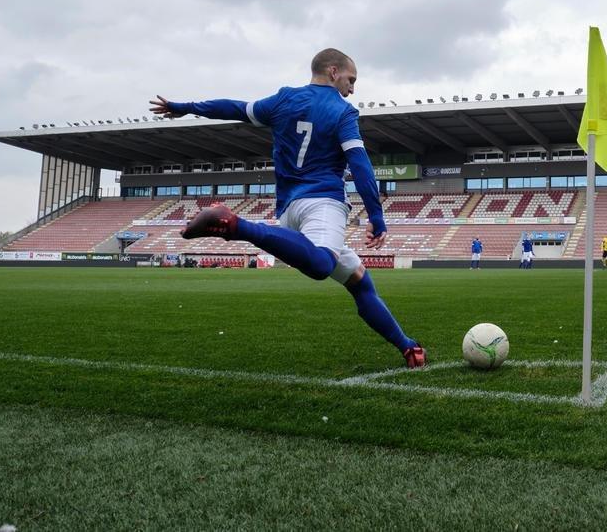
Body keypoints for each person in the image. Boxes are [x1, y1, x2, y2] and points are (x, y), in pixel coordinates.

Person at [148, 47, 425, 368]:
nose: (353, 88)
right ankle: (236, 225)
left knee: (360, 281)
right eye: (351, 79)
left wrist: (185, 107)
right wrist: (377, 216)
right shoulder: (342, 111)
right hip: (324, 202)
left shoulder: (283, 99)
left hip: (289, 209)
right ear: (333, 71)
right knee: (322, 265)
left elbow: (235, 107)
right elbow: (360, 164)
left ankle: (408, 348)